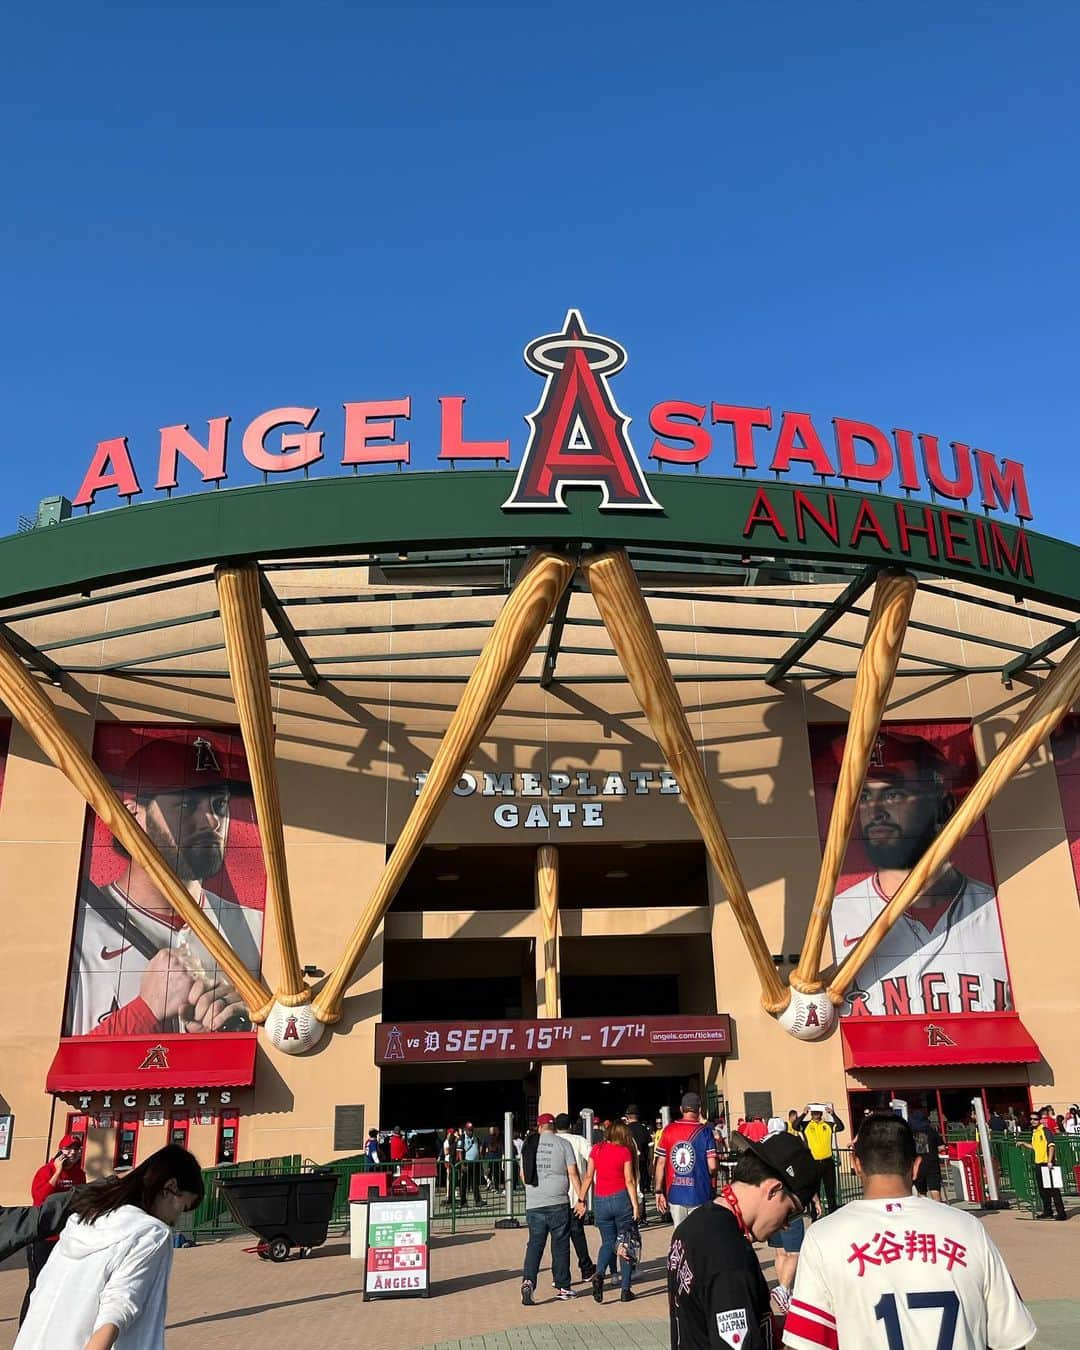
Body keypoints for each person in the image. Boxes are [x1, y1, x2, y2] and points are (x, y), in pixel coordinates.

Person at [783, 1112, 1036, 1350]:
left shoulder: (824, 1236)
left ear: (856, 1164)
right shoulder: (968, 1228)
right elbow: (1013, 1337)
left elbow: (806, 1343)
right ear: (915, 1166)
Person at [67, 736, 264, 1038]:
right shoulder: (77, 935)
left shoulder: (257, 929)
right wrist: (146, 1011)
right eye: (187, 804)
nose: (212, 820)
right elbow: (49, 1072)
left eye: (219, 803)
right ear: (133, 815)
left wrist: (245, 1033)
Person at [828, 729, 1010, 1016]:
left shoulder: (1001, 914)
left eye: (894, 794)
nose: (874, 811)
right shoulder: (834, 920)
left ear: (943, 807)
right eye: (863, 797)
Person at [15, 1143, 205, 1350]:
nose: (176, 1219)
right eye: (184, 1207)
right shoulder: (151, 1233)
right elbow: (121, 1302)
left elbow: (41, 1290)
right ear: (172, 1187)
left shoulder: (84, 1218)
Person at [668, 1131, 820, 1350]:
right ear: (774, 1190)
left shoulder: (693, 1225)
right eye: (791, 1212)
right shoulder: (729, 1258)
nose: (786, 1224)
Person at [19, 1135, 87, 1326]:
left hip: (64, 1236)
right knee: (37, 1283)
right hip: (42, 1236)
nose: (72, 1153)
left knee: (59, 1282)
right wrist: (57, 1172)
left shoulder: (79, 1174)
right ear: (60, 1150)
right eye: (68, 1149)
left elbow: (80, 1200)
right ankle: (24, 1327)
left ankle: (48, 1324)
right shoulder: (46, 1170)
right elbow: (40, 1198)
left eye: (76, 1149)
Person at [519, 1113, 585, 1305]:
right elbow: (573, 1173)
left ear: (539, 1127)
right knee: (560, 1244)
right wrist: (580, 1199)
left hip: (534, 1203)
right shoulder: (564, 1144)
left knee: (535, 1244)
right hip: (558, 1202)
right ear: (554, 1127)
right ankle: (563, 1286)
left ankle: (528, 1281)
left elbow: (523, 1176)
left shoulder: (529, 1145)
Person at [582, 1120, 640, 1303]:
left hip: (601, 1200)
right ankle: (625, 1289)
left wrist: (580, 1199)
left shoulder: (596, 1150)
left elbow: (589, 1176)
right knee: (625, 1242)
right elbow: (629, 1180)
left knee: (607, 1242)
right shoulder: (624, 1152)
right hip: (621, 1198)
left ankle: (599, 1274)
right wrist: (636, 1205)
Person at [762, 1118, 809, 1317]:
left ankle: (785, 1290)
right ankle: (783, 1288)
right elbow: (802, 1176)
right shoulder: (791, 1150)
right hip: (789, 1205)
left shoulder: (762, 1149)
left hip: (769, 1206)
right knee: (794, 1252)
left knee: (780, 1252)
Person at [653, 1092, 718, 1227]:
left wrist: (658, 1191)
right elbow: (712, 1166)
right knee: (699, 1237)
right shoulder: (705, 1132)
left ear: (681, 1109)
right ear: (699, 1110)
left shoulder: (668, 1130)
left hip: (675, 1192)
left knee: (680, 1236)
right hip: (700, 1192)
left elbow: (660, 1163)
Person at [554, 1114, 595, 1283]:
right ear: (570, 1125)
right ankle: (585, 1267)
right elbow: (592, 1159)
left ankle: (559, 1275)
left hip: (555, 1195)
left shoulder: (551, 1142)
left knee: (558, 1236)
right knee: (577, 1233)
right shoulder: (579, 1140)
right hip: (575, 1194)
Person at [795, 1103, 844, 1213]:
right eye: (814, 1112)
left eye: (818, 1112)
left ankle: (832, 1213)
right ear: (811, 1113)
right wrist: (803, 1114)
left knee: (830, 1191)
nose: (816, 1114)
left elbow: (841, 1127)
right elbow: (795, 1126)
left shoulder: (828, 1125)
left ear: (821, 1113)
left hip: (827, 1162)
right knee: (813, 1191)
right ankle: (814, 1215)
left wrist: (833, 1114)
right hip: (813, 1163)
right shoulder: (806, 1124)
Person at [1020, 1109, 1067, 1220]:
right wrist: (1023, 1144)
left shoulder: (1045, 1131)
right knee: (1043, 1190)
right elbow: (1035, 1147)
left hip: (1047, 1164)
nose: (1033, 1121)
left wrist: (1050, 1161)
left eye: (1035, 1119)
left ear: (1039, 1120)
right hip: (1038, 1164)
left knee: (1054, 1190)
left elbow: (1051, 1146)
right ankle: (1048, 1211)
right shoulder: (1034, 1132)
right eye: (1031, 1119)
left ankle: (1061, 1213)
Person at [908, 1106, 944, 1203]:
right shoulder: (931, 1131)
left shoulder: (910, 1133)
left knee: (921, 1192)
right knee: (935, 1190)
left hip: (918, 1165)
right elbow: (941, 1147)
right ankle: (939, 1211)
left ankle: (925, 1210)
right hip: (932, 1163)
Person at [623, 1104, 653, 1222]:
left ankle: (632, 1213)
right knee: (641, 1189)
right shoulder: (644, 1129)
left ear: (628, 1116)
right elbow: (650, 1147)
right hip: (642, 1163)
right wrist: (650, 1163)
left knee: (629, 1187)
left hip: (628, 1163)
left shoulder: (625, 1130)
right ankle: (643, 1214)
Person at [458, 1123, 482, 1207]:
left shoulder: (475, 1138)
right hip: (466, 1163)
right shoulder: (462, 1138)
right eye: (469, 1130)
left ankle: (478, 1201)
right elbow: (459, 1151)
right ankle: (463, 1202)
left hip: (475, 1163)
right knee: (464, 1183)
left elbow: (479, 1148)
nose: (471, 1132)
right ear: (465, 1129)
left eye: (472, 1130)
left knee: (475, 1183)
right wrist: (462, 1164)